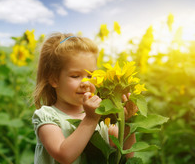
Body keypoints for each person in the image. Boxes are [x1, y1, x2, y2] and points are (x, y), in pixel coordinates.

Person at [32, 33, 137, 164]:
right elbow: (64, 155)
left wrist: (126, 123)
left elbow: (127, 156)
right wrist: (90, 119)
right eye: (75, 76)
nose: (86, 83)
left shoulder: (103, 118)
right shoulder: (47, 116)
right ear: (54, 79)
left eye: (90, 75)